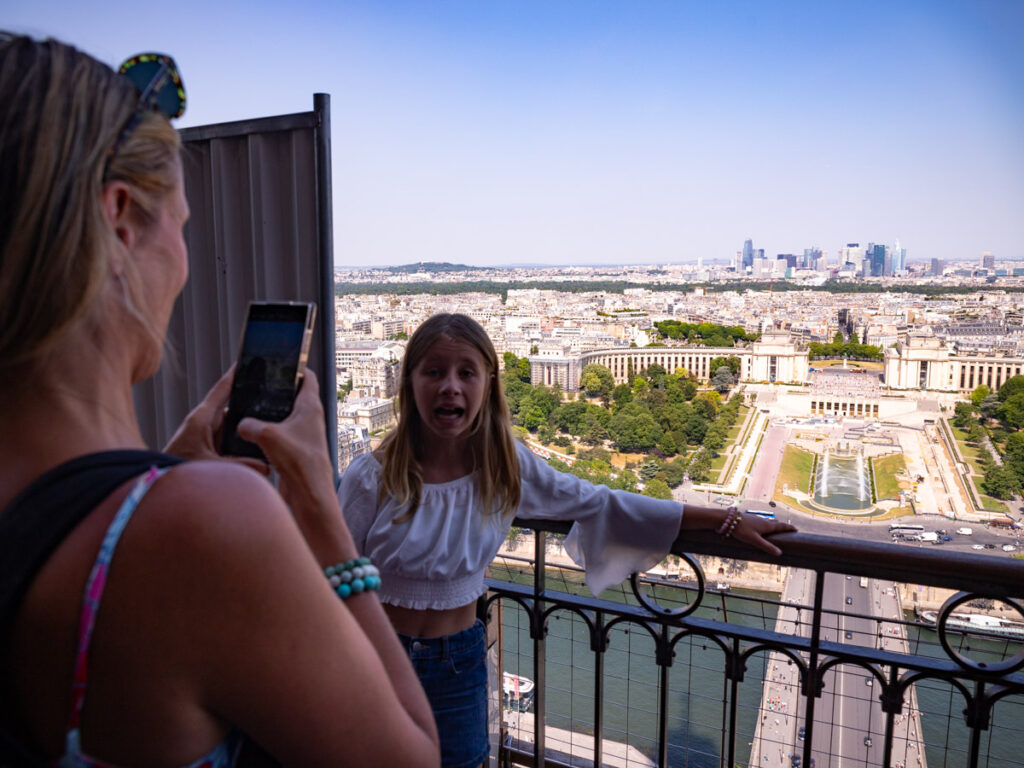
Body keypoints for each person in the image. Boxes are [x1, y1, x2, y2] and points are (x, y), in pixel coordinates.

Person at [0, 33, 439, 766]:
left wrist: (161, 471)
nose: (181, 259)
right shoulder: (203, 528)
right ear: (119, 218)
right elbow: (412, 757)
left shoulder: (154, 512)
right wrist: (315, 504)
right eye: (180, 223)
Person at [338, 313, 796, 767]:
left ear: (488, 384)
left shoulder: (504, 466)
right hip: (379, 657)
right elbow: (334, 575)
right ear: (411, 381)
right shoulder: (373, 476)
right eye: (434, 371)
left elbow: (599, 502)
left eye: (465, 372)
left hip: (457, 661)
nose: (450, 386)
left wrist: (726, 520)